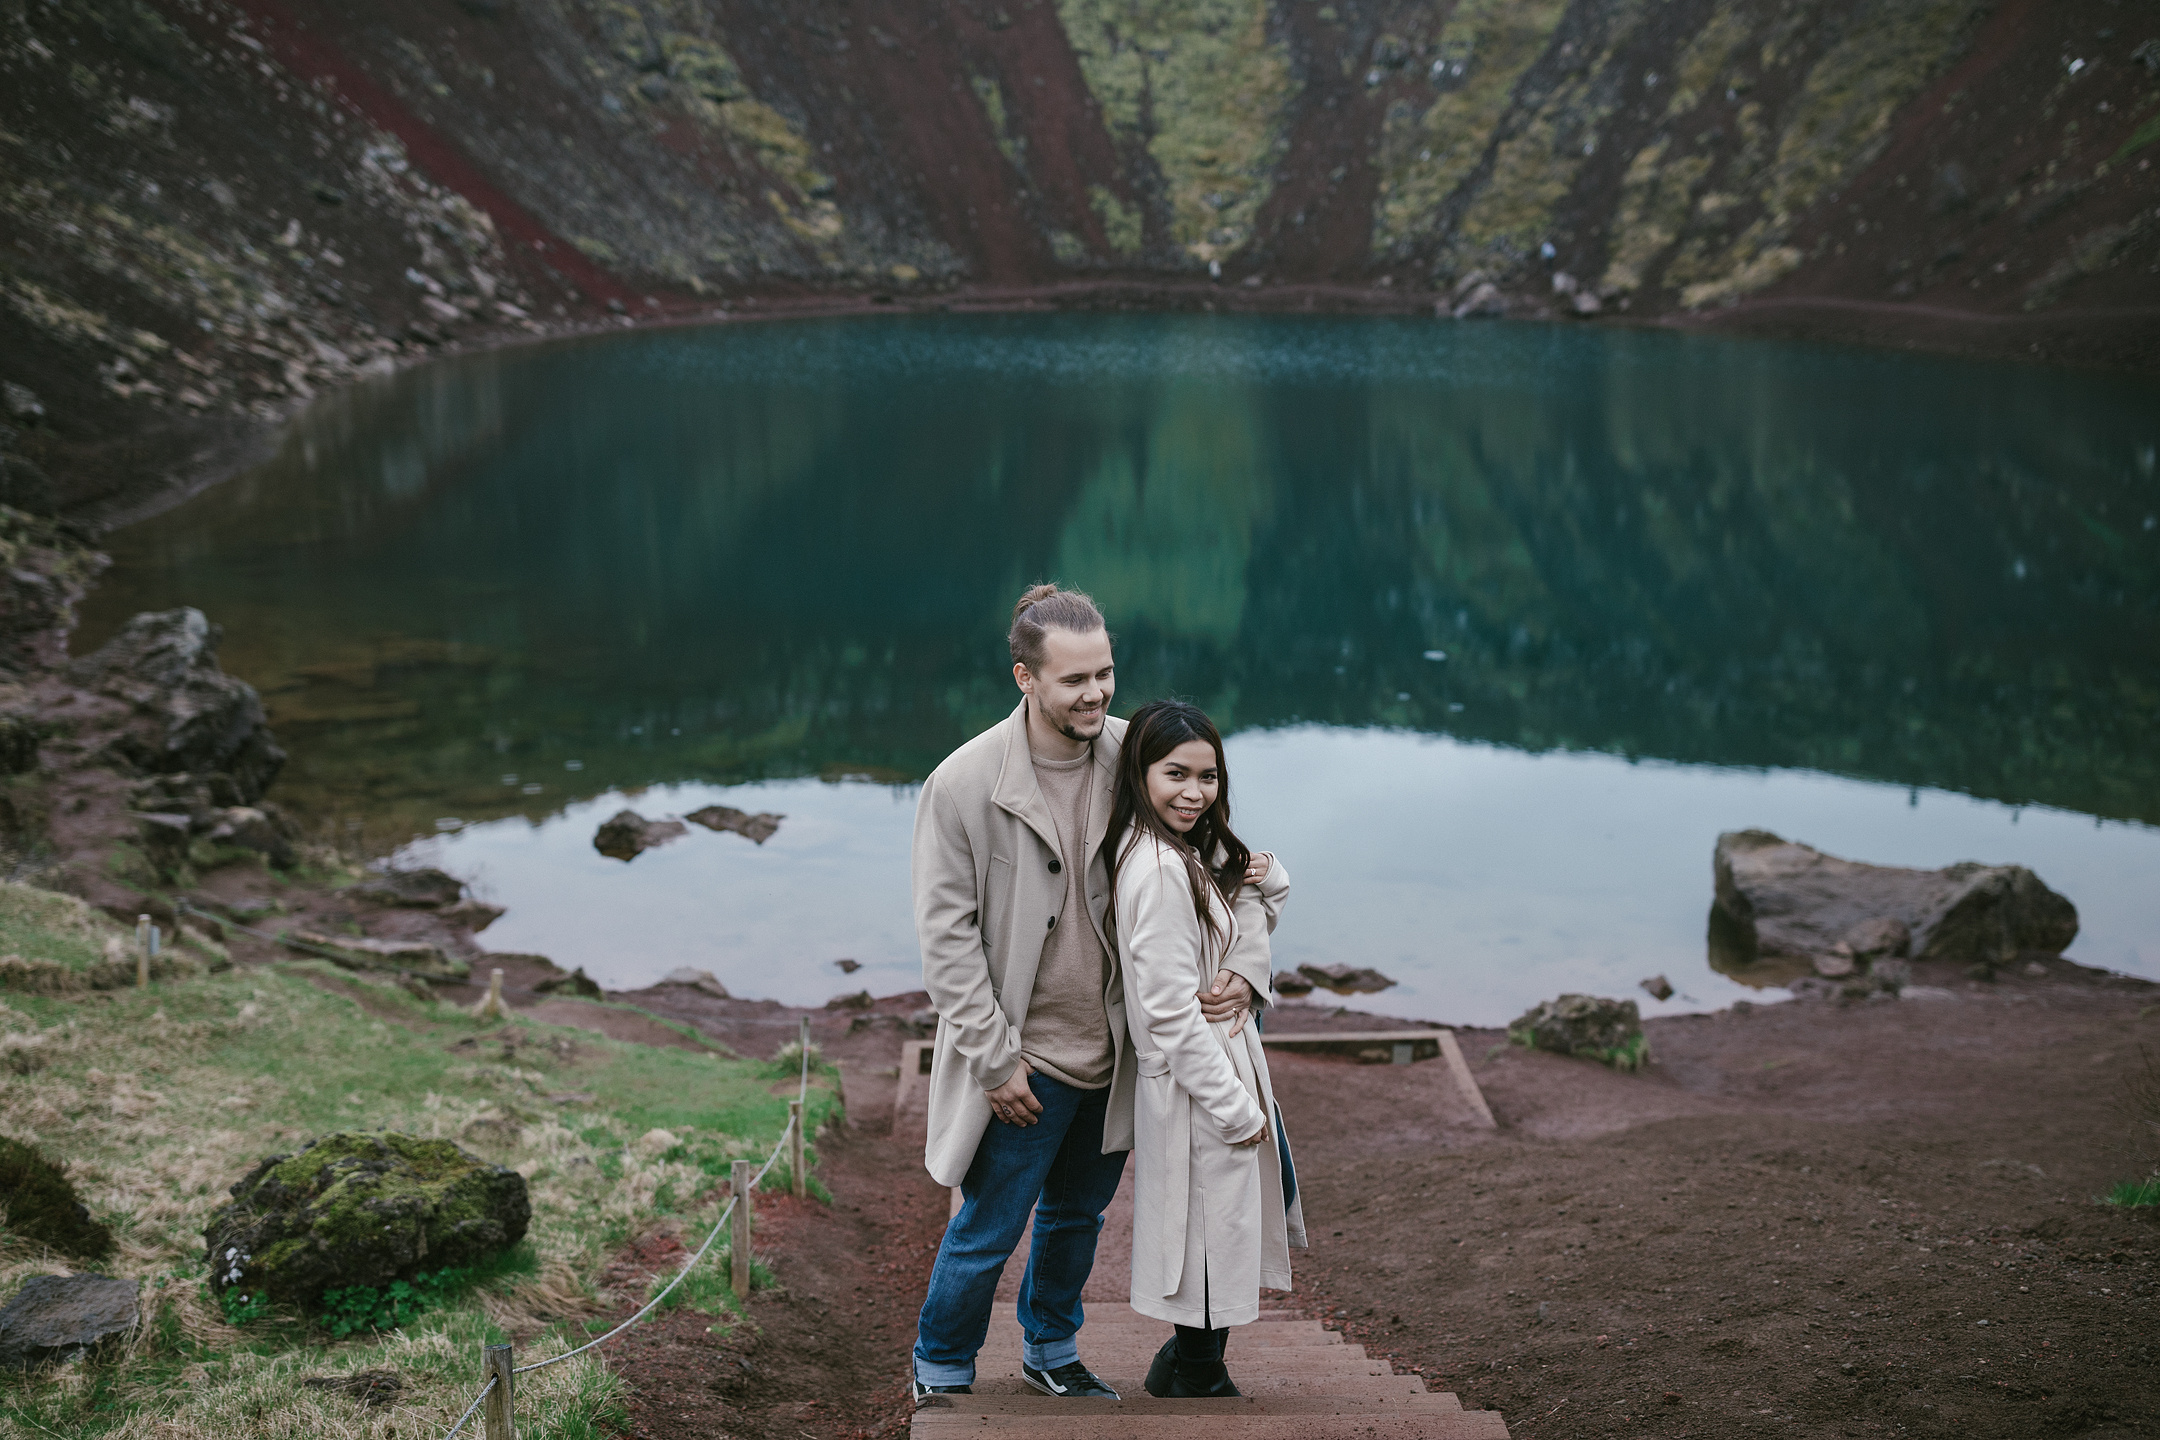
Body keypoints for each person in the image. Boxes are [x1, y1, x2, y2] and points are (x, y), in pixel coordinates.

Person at [909, 586, 1273, 1402]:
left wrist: (1247, 969)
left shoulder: (1136, 756)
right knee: (988, 1227)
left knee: (1078, 1220)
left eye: (1105, 673)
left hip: (1118, 1055)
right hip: (1024, 1060)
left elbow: (1231, 869)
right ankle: (942, 1358)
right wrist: (994, 1060)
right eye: (1075, 679)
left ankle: (1051, 1349)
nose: (1097, 694)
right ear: (1024, 678)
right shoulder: (961, 783)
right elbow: (945, 942)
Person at [1107, 698, 1304, 1398]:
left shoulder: (1187, 850)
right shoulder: (1159, 870)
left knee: (1232, 1217)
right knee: (1207, 1231)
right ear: (1141, 772)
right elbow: (1165, 1015)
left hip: (1225, 1064)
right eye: (1176, 775)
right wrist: (1234, 1107)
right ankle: (1194, 1370)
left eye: (1209, 776)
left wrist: (1267, 880)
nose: (1194, 793)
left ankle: (1190, 1364)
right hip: (1200, 1081)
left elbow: (1251, 899)